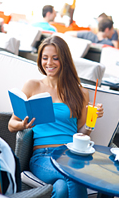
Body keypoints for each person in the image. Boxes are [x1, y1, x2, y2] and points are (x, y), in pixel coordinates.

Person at [8, 35, 104, 198]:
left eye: (55, 58)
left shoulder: (80, 92)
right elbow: (11, 124)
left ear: (64, 60)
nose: (49, 63)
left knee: (61, 188)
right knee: (74, 177)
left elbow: (80, 134)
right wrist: (23, 125)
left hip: (71, 154)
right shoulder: (33, 85)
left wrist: (90, 122)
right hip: (43, 156)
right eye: (45, 58)